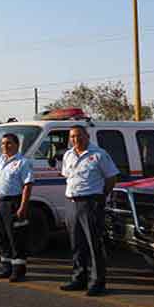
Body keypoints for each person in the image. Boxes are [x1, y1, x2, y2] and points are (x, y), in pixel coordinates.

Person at [59, 125, 119, 296]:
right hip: (72, 202)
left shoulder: (99, 154)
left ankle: (97, 282)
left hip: (90, 203)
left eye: (79, 135)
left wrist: (100, 197)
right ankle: (79, 278)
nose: (76, 139)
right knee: (76, 244)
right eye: (72, 136)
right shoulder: (68, 155)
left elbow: (111, 178)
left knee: (94, 244)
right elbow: (67, 176)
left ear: (87, 136)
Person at [0, 133, 33, 282]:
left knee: (16, 238)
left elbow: (28, 185)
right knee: (2, 237)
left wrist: (23, 207)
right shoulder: (0, 161)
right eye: (3, 143)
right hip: (0, 203)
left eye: (9, 143)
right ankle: (6, 268)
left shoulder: (23, 162)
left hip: (14, 203)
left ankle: (18, 271)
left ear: (17, 145)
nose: (5, 146)